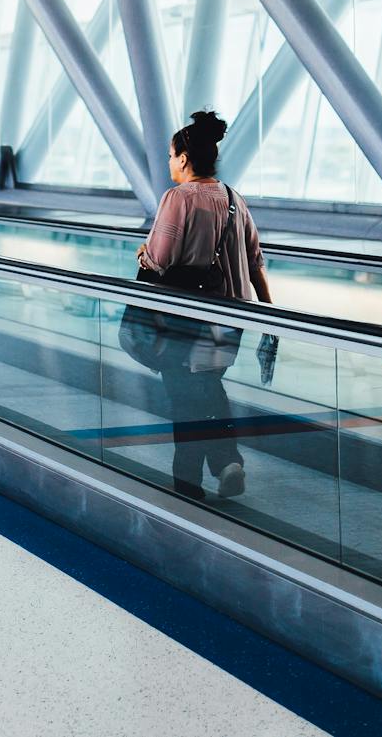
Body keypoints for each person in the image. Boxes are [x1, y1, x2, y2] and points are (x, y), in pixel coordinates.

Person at [134, 110, 274, 502]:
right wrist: (269, 312)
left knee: (185, 396)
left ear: (183, 158)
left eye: (170, 155)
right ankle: (227, 462)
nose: (168, 163)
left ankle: (188, 485)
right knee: (208, 386)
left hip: (186, 318)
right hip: (230, 318)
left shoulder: (177, 198)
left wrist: (143, 252)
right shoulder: (233, 198)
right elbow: (255, 260)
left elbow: (160, 260)